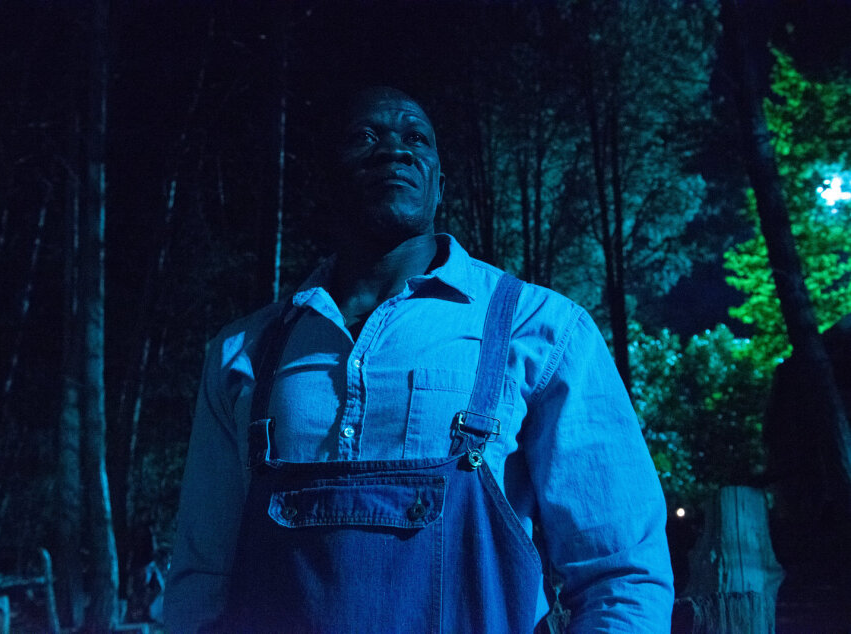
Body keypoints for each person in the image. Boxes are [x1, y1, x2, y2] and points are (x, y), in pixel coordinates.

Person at [163, 86, 674, 632]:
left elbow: (623, 577)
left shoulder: (542, 331)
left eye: (416, 138)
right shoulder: (243, 353)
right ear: (325, 179)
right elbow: (202, 586)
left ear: (439, 186)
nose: (394, 150)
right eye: (366, 137)